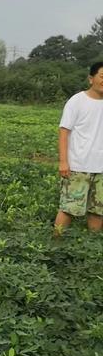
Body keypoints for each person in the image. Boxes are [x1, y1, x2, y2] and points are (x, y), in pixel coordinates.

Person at [54, 61, 103, 236]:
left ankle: (90, 247)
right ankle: (56, 244)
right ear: (91, 79)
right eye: (102, 76)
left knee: (98, 210)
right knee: (68, 208)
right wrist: (63, 161)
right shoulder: (77, 101)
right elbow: (63, 132)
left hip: (101, 168)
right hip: (78, 166)